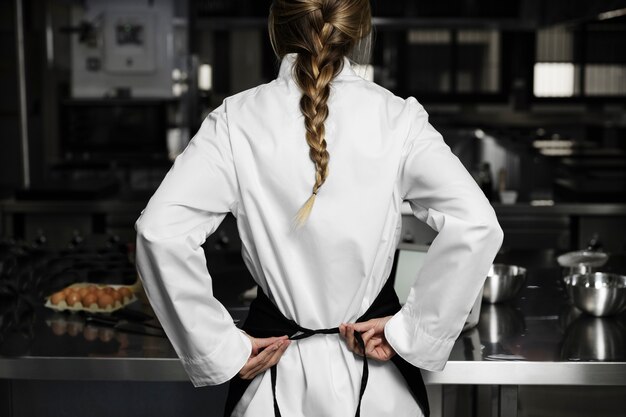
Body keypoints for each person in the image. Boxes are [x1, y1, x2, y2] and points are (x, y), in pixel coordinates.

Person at [134, 0, 504, 416]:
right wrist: (411, 331)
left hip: (272, 381)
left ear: (276, 26)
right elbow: (476, 223)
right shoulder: (399, 119)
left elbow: (159, 232)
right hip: (378, 387)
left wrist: (220, 347)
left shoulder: (234, 121)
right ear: (359, 29)